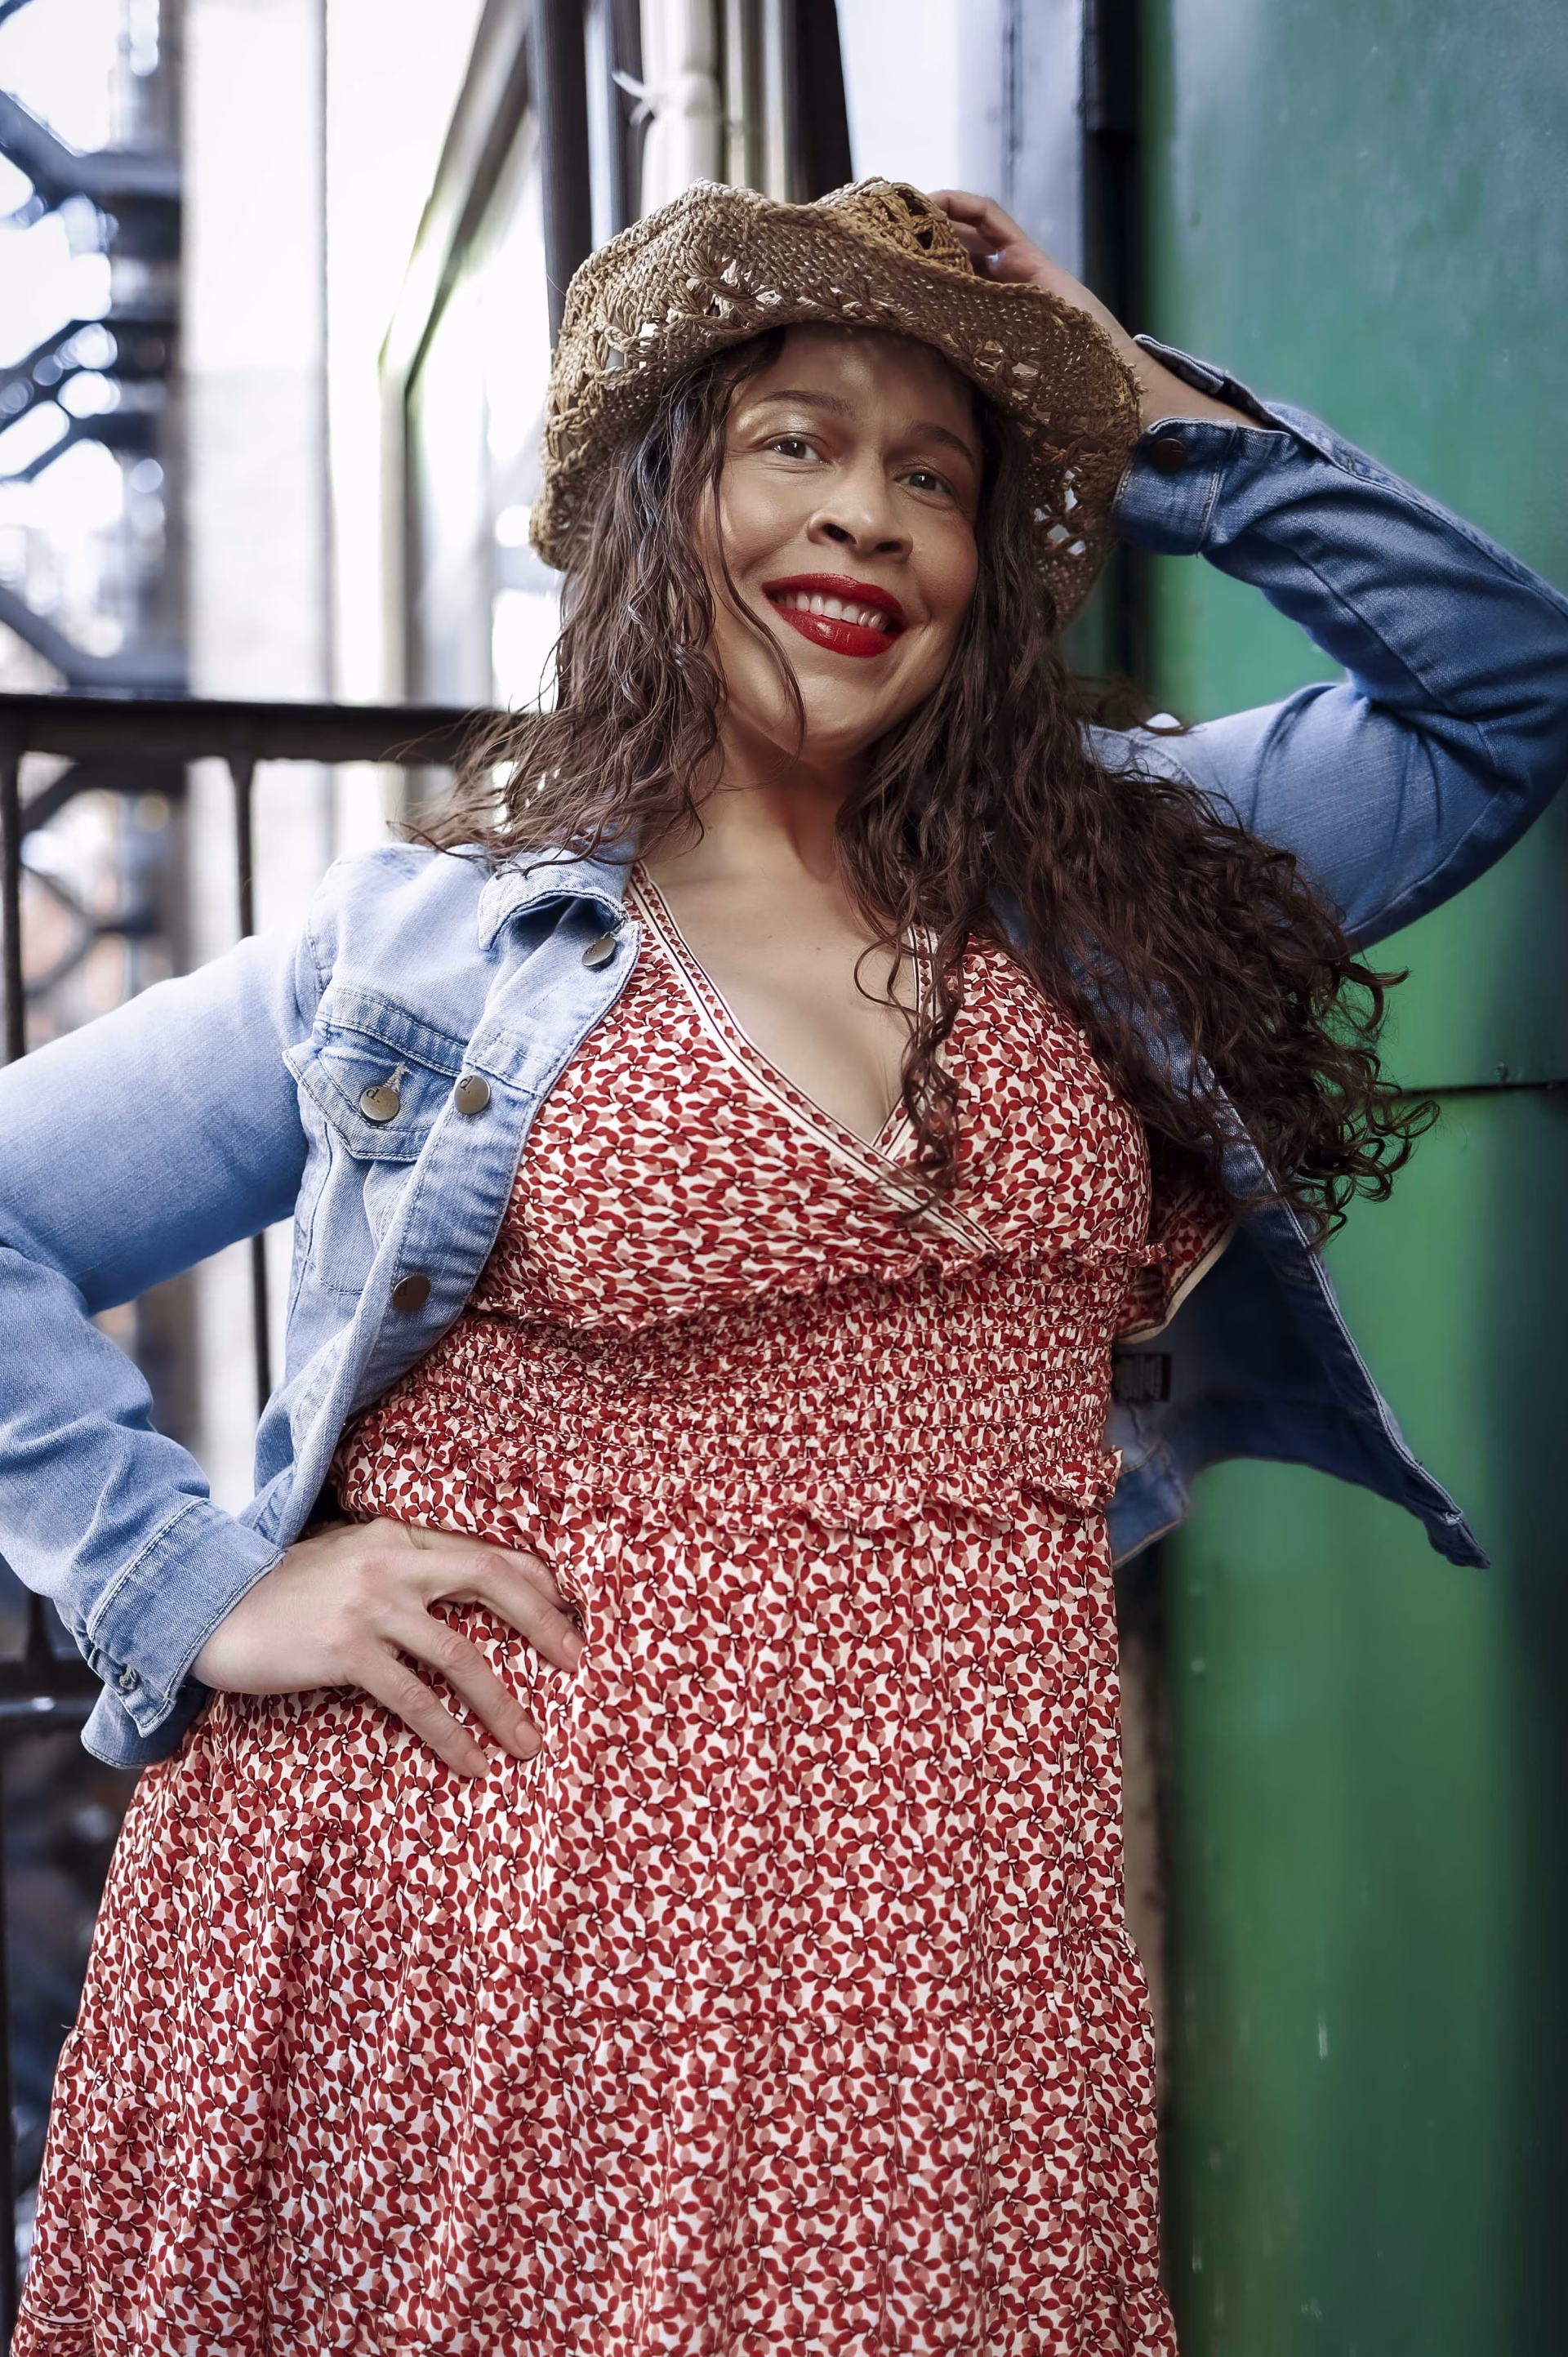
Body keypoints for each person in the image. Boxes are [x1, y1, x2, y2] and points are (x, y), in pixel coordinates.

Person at [2, 177, 1565, 2354]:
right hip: (471, 1910)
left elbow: (1508, 689)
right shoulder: (433, 948)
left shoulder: (1118, 877)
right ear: (665, 502)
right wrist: (193, 1588)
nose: (863, 518)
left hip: (952, 1919)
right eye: (794, 444)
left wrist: (1142, 411)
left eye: (937, 477)